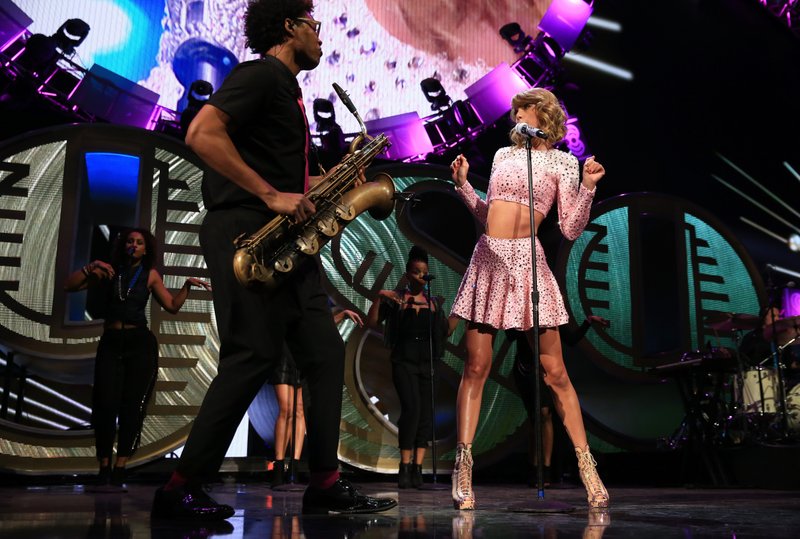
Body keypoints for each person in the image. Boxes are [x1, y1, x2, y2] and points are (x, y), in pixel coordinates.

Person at [150, 0, 396, 520]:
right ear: (290, 26)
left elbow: (283, 183)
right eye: (314, 25)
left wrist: (319, 188)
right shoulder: (260, 74)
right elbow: (200, 134)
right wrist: (269, 194)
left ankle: (325, 482)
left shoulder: (287, 89)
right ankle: (178, 488)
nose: (321, 35)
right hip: (248, 234)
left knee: (325, 355)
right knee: (251, 355)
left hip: (284, 241)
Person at [448, 87, 608, 510]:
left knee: (554, 372)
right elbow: (488, 215)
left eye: (524, 109)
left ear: (544, 115)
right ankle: (463, 466)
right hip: (489, 257)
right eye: (516, 110)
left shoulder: (562, 162)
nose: (516, 114)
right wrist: (464, 188)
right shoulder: (503, 156)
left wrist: (588, 187)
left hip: (528, 264)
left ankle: (587, 466)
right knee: (477, 365)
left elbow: (570, 228)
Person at [64, 228, 210, 489]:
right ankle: (104, 465)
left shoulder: (150, 275)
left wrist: (186, 286)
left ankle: (121, 466)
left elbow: (172, 306)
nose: (133, 245)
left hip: (139, 344)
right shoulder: (108, 271)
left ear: (146, 249)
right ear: (123, 246)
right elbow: (69, 285)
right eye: (130, 241)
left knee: (132, 405)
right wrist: (91, 267)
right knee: (105, 405)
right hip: (111, 343)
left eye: (139, 242)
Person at [366, 246, 455, 489]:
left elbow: (445, 331)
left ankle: (417, 468)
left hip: (429, 363)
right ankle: (403, 467)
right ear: (407, 275)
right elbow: (372, 323)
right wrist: (378, 297)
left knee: (426, 414)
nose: (421, 276)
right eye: (416, 272)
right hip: (403, 361)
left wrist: (463, 313)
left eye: (424, 272)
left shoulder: (434, 303)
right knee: (412, 408)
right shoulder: (396, 299)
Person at [509, 315, 610, 488]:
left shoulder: (549, 315)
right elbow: (510, 335)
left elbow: (571, 339)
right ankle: (534, 468)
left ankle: (546, 469)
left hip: (543, 371)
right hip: (524, 371)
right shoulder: (521, 309)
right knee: (535, 418)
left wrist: (587, 322)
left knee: (545, 413)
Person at [270, 307, 363, 488]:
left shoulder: (311, 304)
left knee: (299, 411)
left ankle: (294, 467)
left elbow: (320, 328)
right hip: (282, 355)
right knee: (286, 409)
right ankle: (278, 467)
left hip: (302, 355)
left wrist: (342, 315)